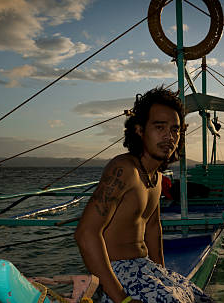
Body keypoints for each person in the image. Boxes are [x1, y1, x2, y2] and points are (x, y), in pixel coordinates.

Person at [74, 86, 213, 303]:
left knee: (202, 299)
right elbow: (85, 233)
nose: (170, 136)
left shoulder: (156, 178)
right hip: (116, 272)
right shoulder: (124, 169)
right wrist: (122, 299)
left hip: (145, 266)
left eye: (175, 129)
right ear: (139, 130)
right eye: (160, 127)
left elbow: (153, 228)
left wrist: (163, 275)